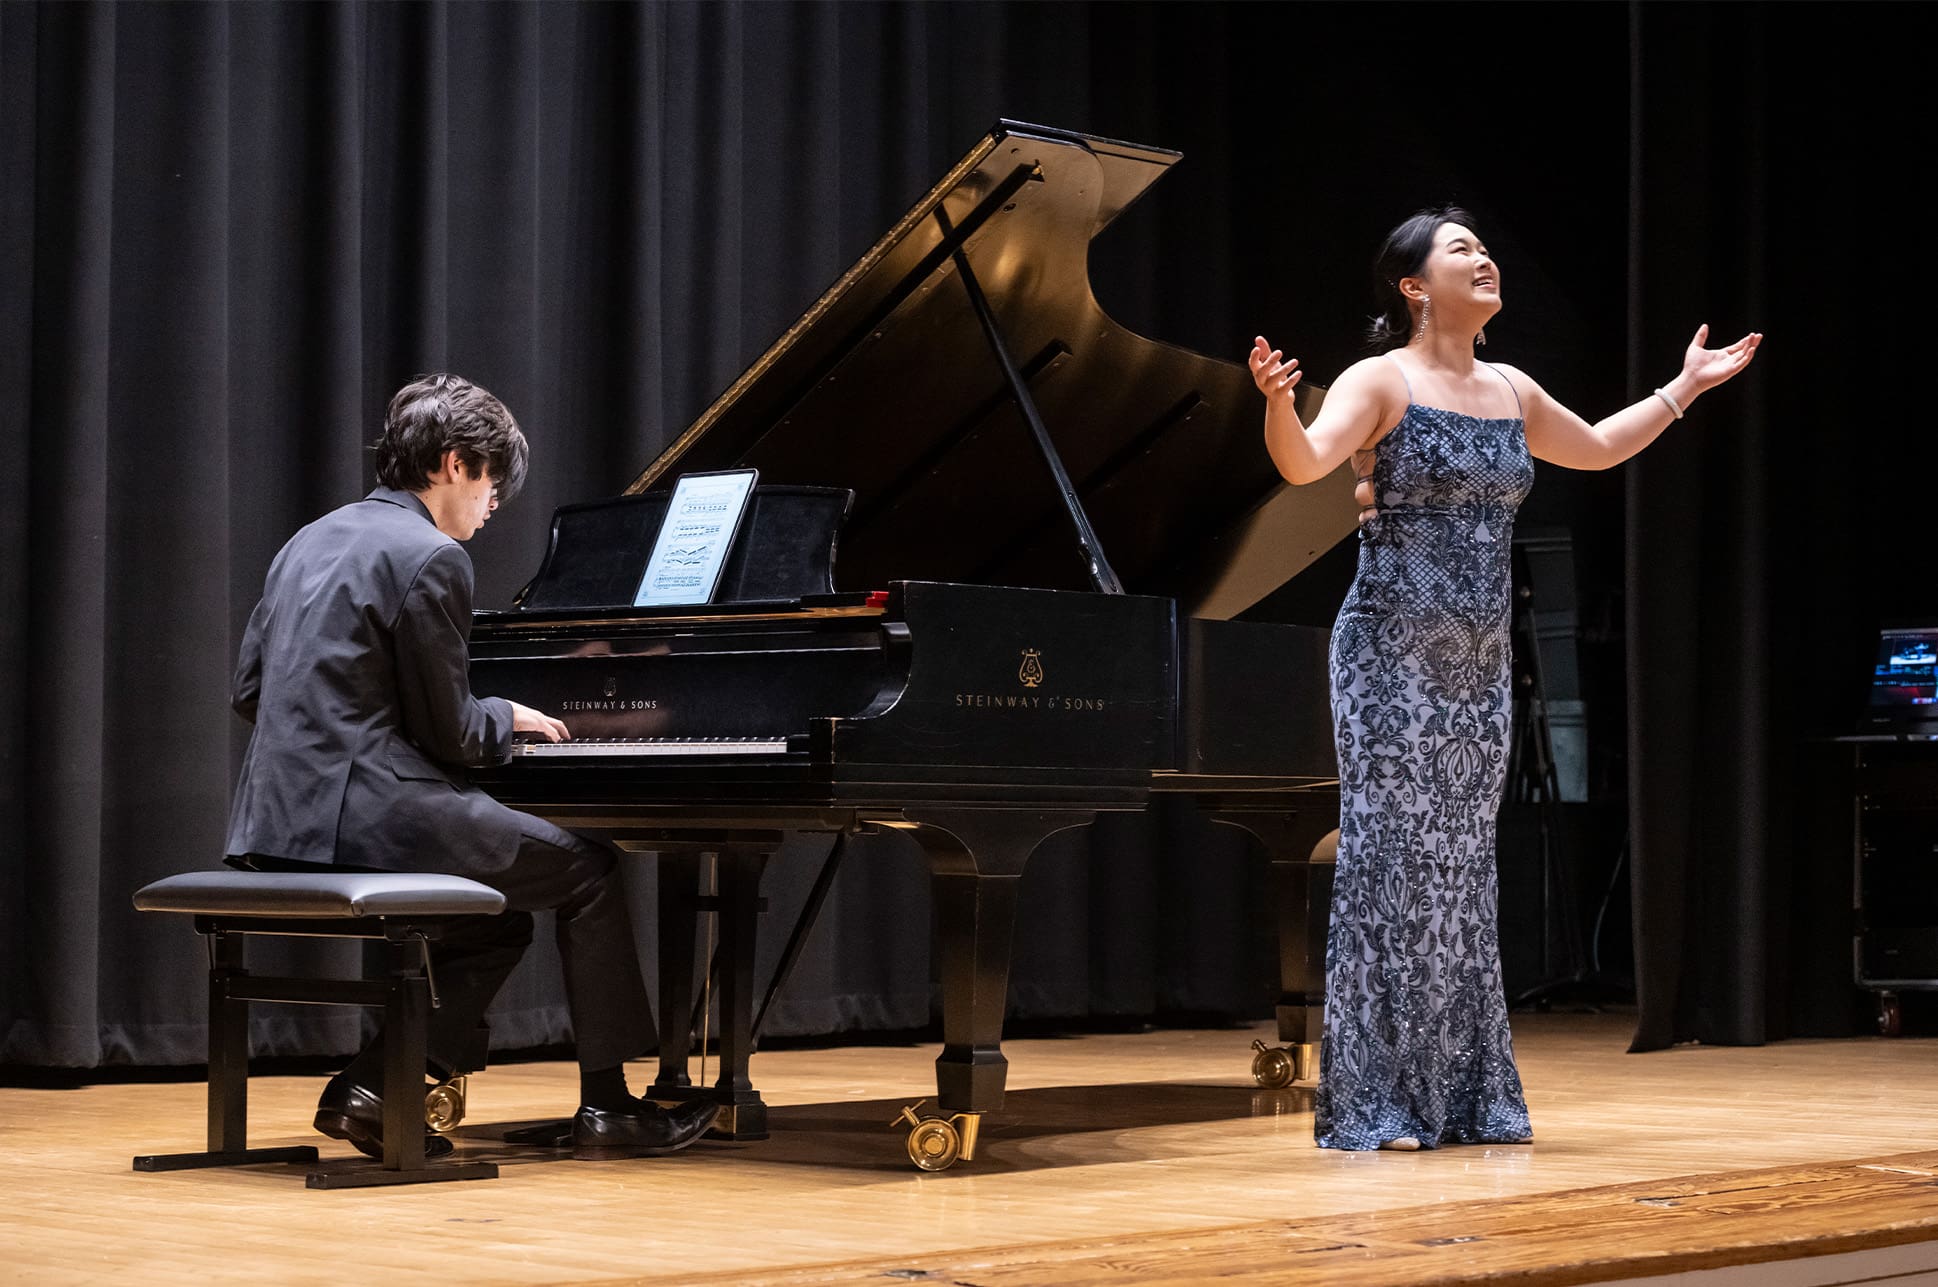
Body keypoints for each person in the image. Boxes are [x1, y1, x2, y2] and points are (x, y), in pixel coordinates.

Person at [1249, 208, 1760, 1151]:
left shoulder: (1511, 387)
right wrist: (1280, 402)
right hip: (1390, 657)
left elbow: (1600, 447)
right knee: (1393, 871)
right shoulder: (1379, 378)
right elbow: (1305, 462)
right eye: (1460, 252)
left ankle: (1469, 1095)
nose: (1484, 260)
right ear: (1412, 286)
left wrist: (1682, 389)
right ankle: (1377, 1103)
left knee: (1459, 878)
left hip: (1479, 669)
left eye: (1485, 251)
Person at [226, 373, 717, 1161]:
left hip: (273, 817)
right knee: (587, 869)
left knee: (496, 915)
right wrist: (505, 715)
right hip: (367, 814)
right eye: (491, 484)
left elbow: (250, 690)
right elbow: (452, 732)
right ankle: (611, 1107)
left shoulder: (308, 540)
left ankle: (375, 1087)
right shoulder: (432, 556)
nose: (493, 506)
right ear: (454, 463)